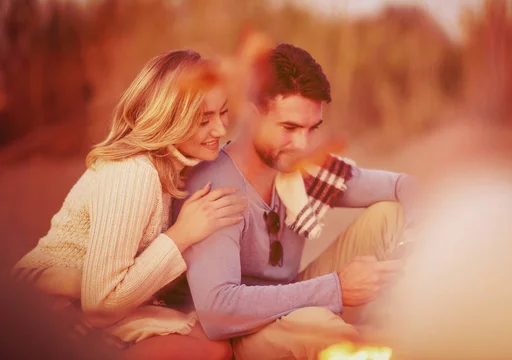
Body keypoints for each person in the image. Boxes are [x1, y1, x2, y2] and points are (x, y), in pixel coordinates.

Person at [174, 43, 418, 359]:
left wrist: (414, 239)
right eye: (289, 128)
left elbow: (405, 185)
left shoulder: (306, 170)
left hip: (295, 297)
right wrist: (337, 289)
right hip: (242, 333)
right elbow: (218, 311)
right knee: (321, 328)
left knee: (388, 213)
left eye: (311, 129)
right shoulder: (214, 186)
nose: (302, 144)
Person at [11, 49, 246, 360]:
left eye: (223, 113)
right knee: (209, 348)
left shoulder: (175, 167)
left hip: (102, 299)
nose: (220, 129)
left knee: (219, 336)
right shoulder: (133, 173)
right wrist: (182, 234)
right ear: (168, 120)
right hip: (49, 304)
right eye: (204, 120)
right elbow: (100, 305)